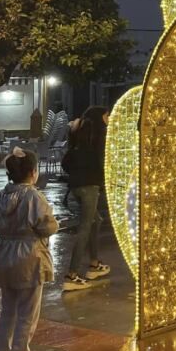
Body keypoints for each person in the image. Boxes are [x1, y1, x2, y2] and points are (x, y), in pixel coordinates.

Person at [0, 147, 58, 351]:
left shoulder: (2, 195)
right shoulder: (33, 196)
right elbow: (47, 225)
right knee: (27, 313)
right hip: (29, 257)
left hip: (4, 255)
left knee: (7, 310)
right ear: (32, 172)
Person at [60, 105, 112, 291]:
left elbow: (66, 162)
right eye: (107, 116)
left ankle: (94, 263)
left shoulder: (79, 136)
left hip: (76, 187)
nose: (109, 119)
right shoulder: (99, 137)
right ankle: (72, 275)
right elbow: (102, 161)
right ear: (100, 118)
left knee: (96, 220)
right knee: (85, 227)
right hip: (89, 187)